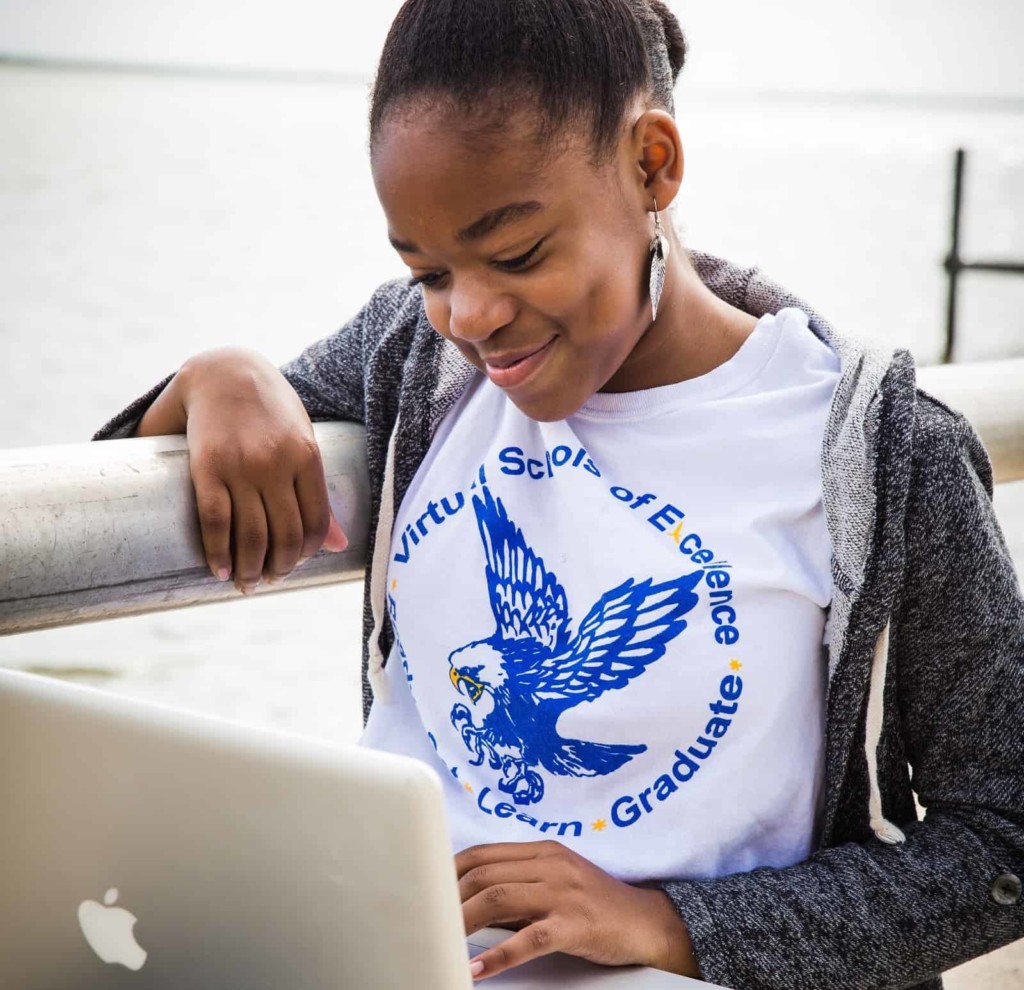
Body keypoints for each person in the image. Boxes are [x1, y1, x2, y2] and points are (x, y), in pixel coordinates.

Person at [93, 1, 1024, 987]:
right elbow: (141, 482)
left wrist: (675, 925)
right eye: (426, 269)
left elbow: (1002, 839)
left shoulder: (883, 453)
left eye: (519, 254)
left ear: (652, 164)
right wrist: (219, 377)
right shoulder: (413, 359)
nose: (472, 316)